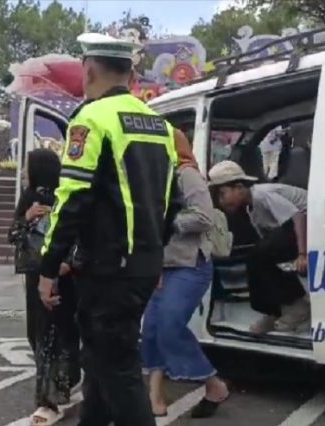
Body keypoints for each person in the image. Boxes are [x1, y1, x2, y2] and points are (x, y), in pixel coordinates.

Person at [38, 32, 180, 426]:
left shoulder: (91, 118)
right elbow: (172, 202)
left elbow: (72, 199)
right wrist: (154, 256)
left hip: (107, 268)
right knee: (100, 359)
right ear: (131, 74)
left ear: (89, 70)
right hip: (142, 264)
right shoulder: (160, 125)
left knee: (117, 369)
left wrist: (48, 266)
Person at [141, 130, 230, 419]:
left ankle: (213, 384)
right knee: (151, 330)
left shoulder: (186, 174)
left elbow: (204, 217)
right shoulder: (155, 177)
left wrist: (167, 221)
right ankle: (154, 395)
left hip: (190, 265)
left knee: (169, 326)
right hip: (160, 266)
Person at [8, 148, 81, 425]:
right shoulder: (40, 196)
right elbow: (14, 235)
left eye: (27, 167)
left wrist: (68, 262)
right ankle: (64, 381)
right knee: (47, 333)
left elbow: (13, 235)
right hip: (47, 274)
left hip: (52, 275)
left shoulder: (54, 196)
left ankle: (49, 399)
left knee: (50, 335)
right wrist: (26, 218)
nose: (24, 172)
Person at [208, 160, 310, 334]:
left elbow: (298, 217)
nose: (221, 201)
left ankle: (298, 305)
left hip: (308, 223)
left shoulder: (262, 195)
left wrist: (302, 254)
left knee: (260, 255)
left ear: (239, 187)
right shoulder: (251, 209)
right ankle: (273, 311)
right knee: (257, 258)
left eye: (222, 194)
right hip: (293, 229)